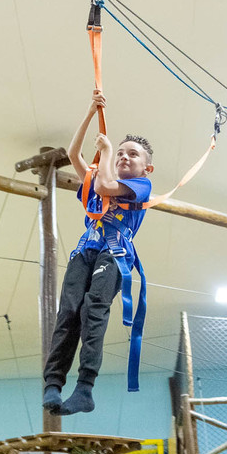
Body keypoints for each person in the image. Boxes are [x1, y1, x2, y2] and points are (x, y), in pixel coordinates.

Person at [42, 89, 154, 416]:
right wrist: (91, 112)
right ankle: (53, 382)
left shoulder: (140, 187)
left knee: (94, 310)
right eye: (121, 153)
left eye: (132, 155)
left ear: (147, 168)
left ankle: (85, 387)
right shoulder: (97, 176)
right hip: (85, 251)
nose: (124, 157)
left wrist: (106, 154)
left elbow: (106, 186)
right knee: (69, 312)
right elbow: (73, 152)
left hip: (115, 254)